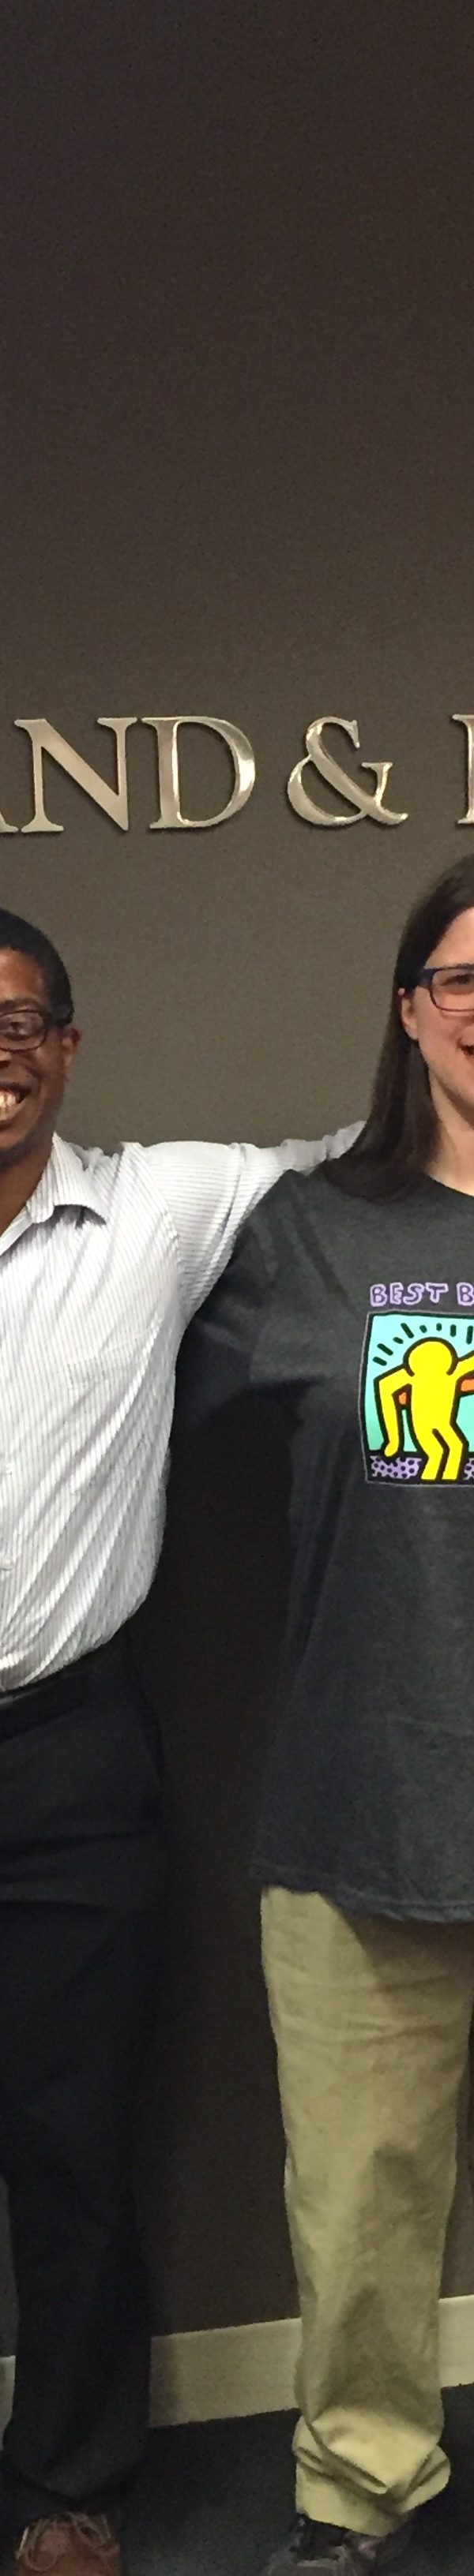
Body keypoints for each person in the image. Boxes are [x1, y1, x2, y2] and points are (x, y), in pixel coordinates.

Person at [0, 904, 355, 2576]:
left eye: (21, 1021)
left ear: (68, 1048)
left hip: (65, 1760)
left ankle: (67, 2483)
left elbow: (356, 1157)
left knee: (72, 2143)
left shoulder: (160, 1208)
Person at [175, 849, 474, 2574]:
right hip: (367, 1800)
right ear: (409, 1009)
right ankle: (362, 2491)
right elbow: (112, 1406)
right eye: (463, 978)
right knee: (359, 2202)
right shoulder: (311, 1236)